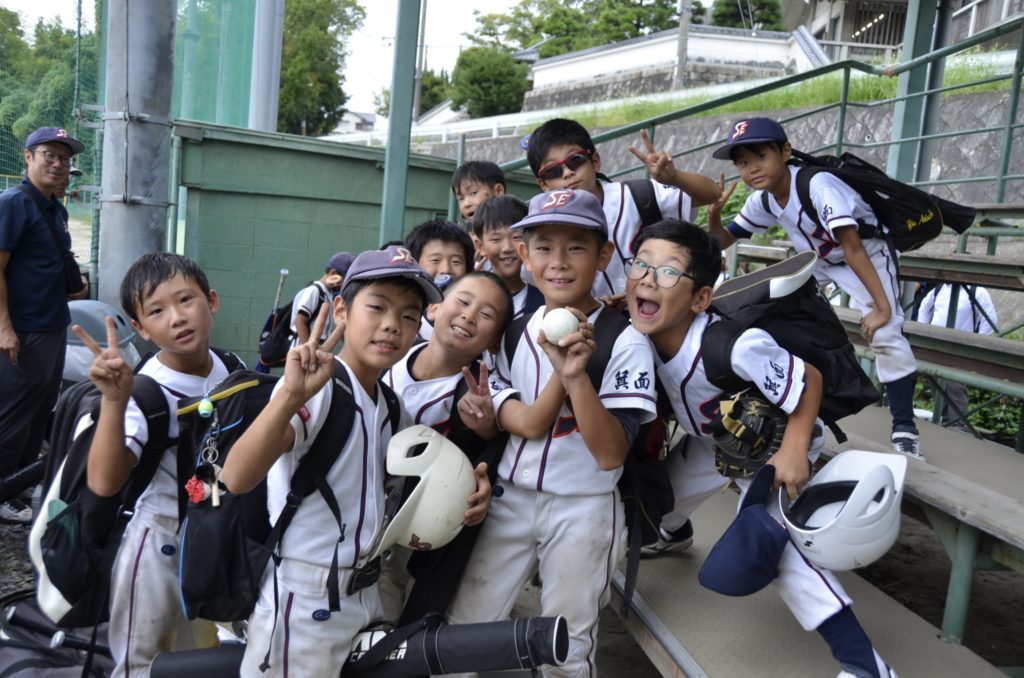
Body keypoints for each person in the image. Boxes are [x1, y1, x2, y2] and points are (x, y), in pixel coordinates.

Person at [625, 219, 896, 678]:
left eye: (668, 271)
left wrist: (793, 451)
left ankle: (865, 664)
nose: (649, 279)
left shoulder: (735, 345)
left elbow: (808, 379)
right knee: (660, 501)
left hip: (776, 444)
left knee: (773, 546)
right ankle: (676, 531)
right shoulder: (641, 333)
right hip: (714, 439)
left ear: (701, 299)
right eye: (640, 265)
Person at [220, 247, 488, 676]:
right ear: (342, 309)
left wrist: (468, 495)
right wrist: (289, 397)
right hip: (303, 598)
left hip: (364, 594)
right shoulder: (318, 389)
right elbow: (236, 477)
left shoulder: (392, 407)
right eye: (377, 307)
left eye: (408, 316)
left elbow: (401, 497)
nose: (392, 325)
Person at [447, 189, 658, 677]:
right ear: (524, 254)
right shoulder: (514, 330)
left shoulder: (624, 340)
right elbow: (509, 418)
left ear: (604, 255)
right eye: (543, 247)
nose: (558, 262)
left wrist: (576, 377)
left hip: (583, 506)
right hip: (510, 497)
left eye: (576, 247)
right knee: (464, 630)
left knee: (566, 647)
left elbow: (611, 455)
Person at [707, 117, 923, 460]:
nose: (753, 168)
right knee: (771, 312)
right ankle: (791, 405)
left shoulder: (818, 185)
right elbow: (720, 240)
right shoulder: (764, 200)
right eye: (743, 163)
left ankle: (905, 430)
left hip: (866, 255)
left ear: (785, 152)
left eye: (761, 156)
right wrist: (714, 215)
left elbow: (852, 247)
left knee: (885, 333)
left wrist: (881, 309)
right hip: (820, 261)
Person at [71, 252, 232, 676]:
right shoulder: (144, 391)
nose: (177, 318)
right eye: (157, 311)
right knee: (143, 662)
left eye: (186, 300)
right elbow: (104, 482)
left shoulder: (229, 369)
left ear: (211, 301)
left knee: (201, 656)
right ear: (140, 328)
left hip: (212, 536)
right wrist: (113, 400)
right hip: (158, 541)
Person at [379, 270, 566, 623]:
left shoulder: (481, 388)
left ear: (495, 342)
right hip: (359, 517)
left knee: (386, 620)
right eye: (463, 301)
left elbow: (531, 423)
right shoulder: (392, 352)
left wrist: (565, 370)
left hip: (409, 538)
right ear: (434, 309)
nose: (469, 315)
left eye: (486, 314)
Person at [524, 117, 720, 308]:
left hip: (661, 313)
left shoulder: (636, 196)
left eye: (575, 161)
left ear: (595, 160)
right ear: (543, 184)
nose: (567, 173)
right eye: (553, 171)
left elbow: (712, 193)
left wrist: (674, 177)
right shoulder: (544, 226)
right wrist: (597, 306)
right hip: (597, 322)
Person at [0, 127, 88, 524]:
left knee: (38, 409)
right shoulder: (14, 203)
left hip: (52, 323)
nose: (58, 164)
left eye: (64, 159)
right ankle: (2, 491)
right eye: (49, 155)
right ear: (28, 157)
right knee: (14, 410)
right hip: (23, 328)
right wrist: (4, 327)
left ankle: (18, 482)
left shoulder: (54, 207)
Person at [918, 283, 998, 431]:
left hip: (959, 348)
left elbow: (990, 320)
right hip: (935, 345)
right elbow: (924, 308)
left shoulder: (978, 291)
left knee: (955, 387)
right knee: (935, 382)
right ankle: (946, 422)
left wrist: (976, 345)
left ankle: (958, 425)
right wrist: (923, 332)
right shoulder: (940, 289)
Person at [470, 195, 542, 319]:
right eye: (496, 239)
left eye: (516, 237)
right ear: (481, 246)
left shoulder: (543, 302)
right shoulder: (469, 295)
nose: (507, 248)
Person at [404, 220, 475, 340]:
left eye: (456, 262)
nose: (446, 270)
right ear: (414, 263)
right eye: (435, 260)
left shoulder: (471, 320)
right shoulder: (403, 317)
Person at [288, 251, 353, 349]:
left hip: (317, 347)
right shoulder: (314, 291)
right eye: (344, 280)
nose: (344, 285)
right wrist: (308, 349)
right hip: (303, 350)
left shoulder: (328, 293)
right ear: (333, 274)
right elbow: (300, 321)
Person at [451, 160, 506, 224]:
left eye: (473, 193)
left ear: (498, 191)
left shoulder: (513, 225)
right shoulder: (468, 230)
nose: (466, 204)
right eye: (460, 198)